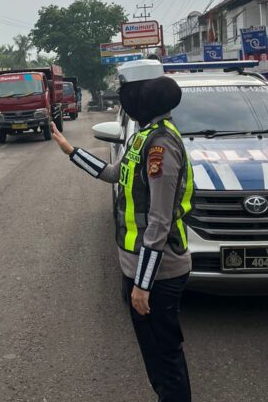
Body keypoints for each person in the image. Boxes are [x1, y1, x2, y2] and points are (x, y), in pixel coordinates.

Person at [51, 59, 193, 402]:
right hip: (138, 267)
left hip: (159, 273)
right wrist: (71, 151)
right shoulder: (143, 138)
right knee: (154, 358)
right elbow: (115, 174)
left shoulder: (160, 146)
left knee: (164, 357)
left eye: (127, 94)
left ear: (144, 98)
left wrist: (143, 285)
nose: (123, 101)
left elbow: (158, 221)